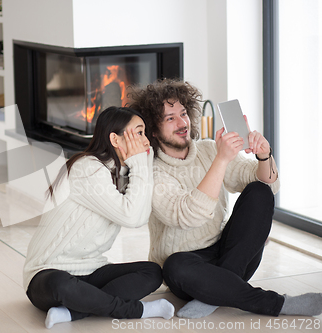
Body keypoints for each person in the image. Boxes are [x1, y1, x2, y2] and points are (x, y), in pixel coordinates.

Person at [127, 78, 322, 319]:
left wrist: (264, 155)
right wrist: (222, 160)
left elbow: (269, 185)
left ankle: (215, 293)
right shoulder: (152, 171)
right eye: (170, 118)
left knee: (259, 191)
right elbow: (186, 215)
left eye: (184, 113)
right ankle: (274, 303)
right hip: (188, 270)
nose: (182, 123)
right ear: (153, 130)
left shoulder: (208, 149)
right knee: (174, 265)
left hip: (231, 256)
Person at [23, 106, 175, 329]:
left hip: (91, 271)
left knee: (151, 272)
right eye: (139, 133)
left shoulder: (125, 173)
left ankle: (74, 312)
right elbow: (131, 217)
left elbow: (140, 218)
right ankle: (137, 311)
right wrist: (141, 165)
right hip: (47, 273)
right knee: (61, 285)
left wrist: (142, 167)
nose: (147, 141)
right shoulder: (88, 168)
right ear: (115, 139)